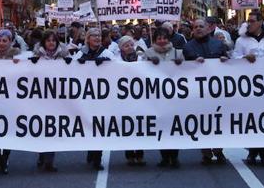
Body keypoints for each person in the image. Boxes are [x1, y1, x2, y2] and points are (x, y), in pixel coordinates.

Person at [232, 11, 264, 167]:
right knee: (252, 121)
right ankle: (253, 152)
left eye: (252, 20)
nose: (249, 23)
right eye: (248, 21)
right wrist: (244, 58)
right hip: (249, 86)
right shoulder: (242, 40)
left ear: (261, 22)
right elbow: (234, 58)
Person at [183, 19, 229, 165]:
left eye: (201, 26)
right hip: (198, 91)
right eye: (195, 27)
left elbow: (228, 61)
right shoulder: (188, 47)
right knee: (202, 121)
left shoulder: (218, 44)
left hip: (216, 90)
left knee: (217, 121)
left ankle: (219, 150)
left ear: (208, 28)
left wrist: (225, 60)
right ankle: (206, 152)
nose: (198, 29)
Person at [30, 30, 72, 172]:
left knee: (53, 129)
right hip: (40, 99)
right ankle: (41, 154)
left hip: (57, 100)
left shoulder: (64, 56)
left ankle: (50, 161)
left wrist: (70, 63)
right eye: (48, 40)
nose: (51, 43)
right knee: (41, 129)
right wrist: (31, 63)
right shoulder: (36, 56)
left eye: (53, 40)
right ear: (43, 42)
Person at [73, 28, 115, 170]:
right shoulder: (81, 53)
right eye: (94, 36)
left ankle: (97, 157)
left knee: (99, 127)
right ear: (88, 39)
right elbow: (72, 70)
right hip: (86, 97)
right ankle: (90, 150)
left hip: (102, 98)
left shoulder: (107, 53)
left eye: (99, 36)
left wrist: (106, 63)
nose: (97, 38)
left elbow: (118, 69)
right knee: (88, 126)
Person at [144, 29, 185, 168]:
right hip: (157, 97)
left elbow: (187, 72)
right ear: (154, 40)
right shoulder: (148, 53)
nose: (162, 41)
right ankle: (164, 157)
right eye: (159, 38)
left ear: (169, 39)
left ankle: (175, 157)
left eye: (164, 38)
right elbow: (140, 70)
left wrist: (181, 63)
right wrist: (148, 62)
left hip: (174, 96)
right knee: (161, 127)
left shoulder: (177, 53)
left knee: (174, 127)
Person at [0, 29, 21, 174]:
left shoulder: (18, 56)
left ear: (10, 42)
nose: (1, 43)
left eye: (4, 41)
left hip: (11, 101)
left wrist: (19, 63)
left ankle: (5, 157)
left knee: (9, 130)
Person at [115, 35, 148, 166]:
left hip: (139, 98)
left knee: (139, 127)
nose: (129, 47)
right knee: (127, 128)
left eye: (131, 45)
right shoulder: (116, 60)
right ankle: (129, 156)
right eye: (126, 45)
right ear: (121, 48)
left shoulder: (140, 58)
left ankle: (140, 155)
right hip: (124, 99)